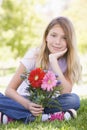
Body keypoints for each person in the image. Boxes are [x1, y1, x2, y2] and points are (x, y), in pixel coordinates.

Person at [0, 16, 81, 124]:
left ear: (70, 41)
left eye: (64, 38)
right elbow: (9, 90)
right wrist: (27, 105)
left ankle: (12, 116)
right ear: (46, 36)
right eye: (53, 35)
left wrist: (53, 61)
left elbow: (65, 91)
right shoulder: (34, 55)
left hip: (48, 103)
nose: (57, 42)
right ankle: (46, 117)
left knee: (74, 100)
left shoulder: (70, 61)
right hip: (25, 99)